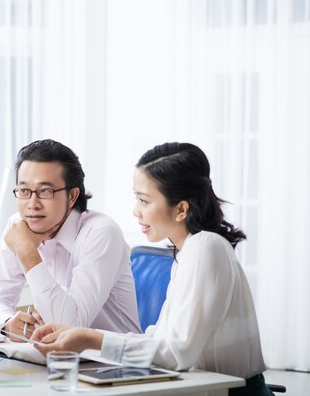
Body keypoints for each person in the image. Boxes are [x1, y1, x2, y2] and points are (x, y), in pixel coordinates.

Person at [31, 142, 273, 396]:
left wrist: (91, 339)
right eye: (136, 198)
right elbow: (159, 341)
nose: (136, 211)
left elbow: (177, 352)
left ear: (180, 209)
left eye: (144, 201)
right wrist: (82, 334)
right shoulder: (189, 250)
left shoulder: (205, 247)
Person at [0, 139, 141, 341]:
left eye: (45, 191)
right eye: (24, 191)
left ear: (72, 196)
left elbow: (70, 326)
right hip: (52, 358)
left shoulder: (101, 232)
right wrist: (7, 323)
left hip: (113, 364)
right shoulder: (18, 225)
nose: (32, 204)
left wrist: (28, 253)